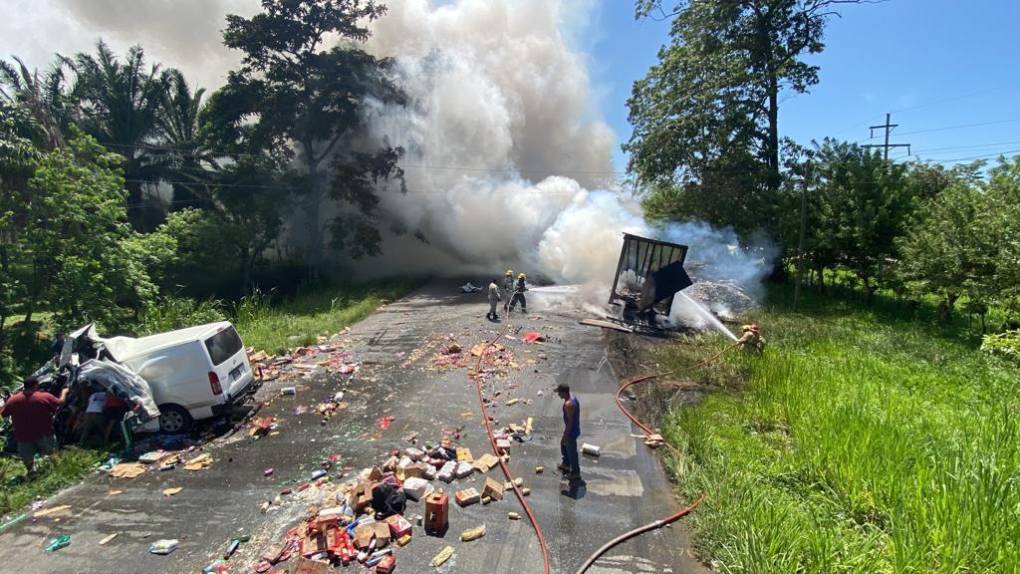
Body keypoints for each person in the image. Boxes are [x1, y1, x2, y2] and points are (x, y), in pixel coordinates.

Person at [0, 377, 69, 475]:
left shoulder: (13, 400)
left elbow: (3, 414)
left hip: (23, 437)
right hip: (44, 434)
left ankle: (33, 475)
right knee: (53, 458)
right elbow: (60, 403)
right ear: (36, 385)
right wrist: (64, 392)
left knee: (29, 464)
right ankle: (58, 474)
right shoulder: (44, 396)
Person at [555, 382, 581, 481]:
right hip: (573, 429)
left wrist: (565, 435)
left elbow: (570, 423)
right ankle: (566, 463)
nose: (558, 395)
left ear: (564, 393)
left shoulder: (568, 404)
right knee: (563, 445)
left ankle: (575, 472)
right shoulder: (572, 397)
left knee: (571, 452)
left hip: (572, 431)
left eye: (559, 393)